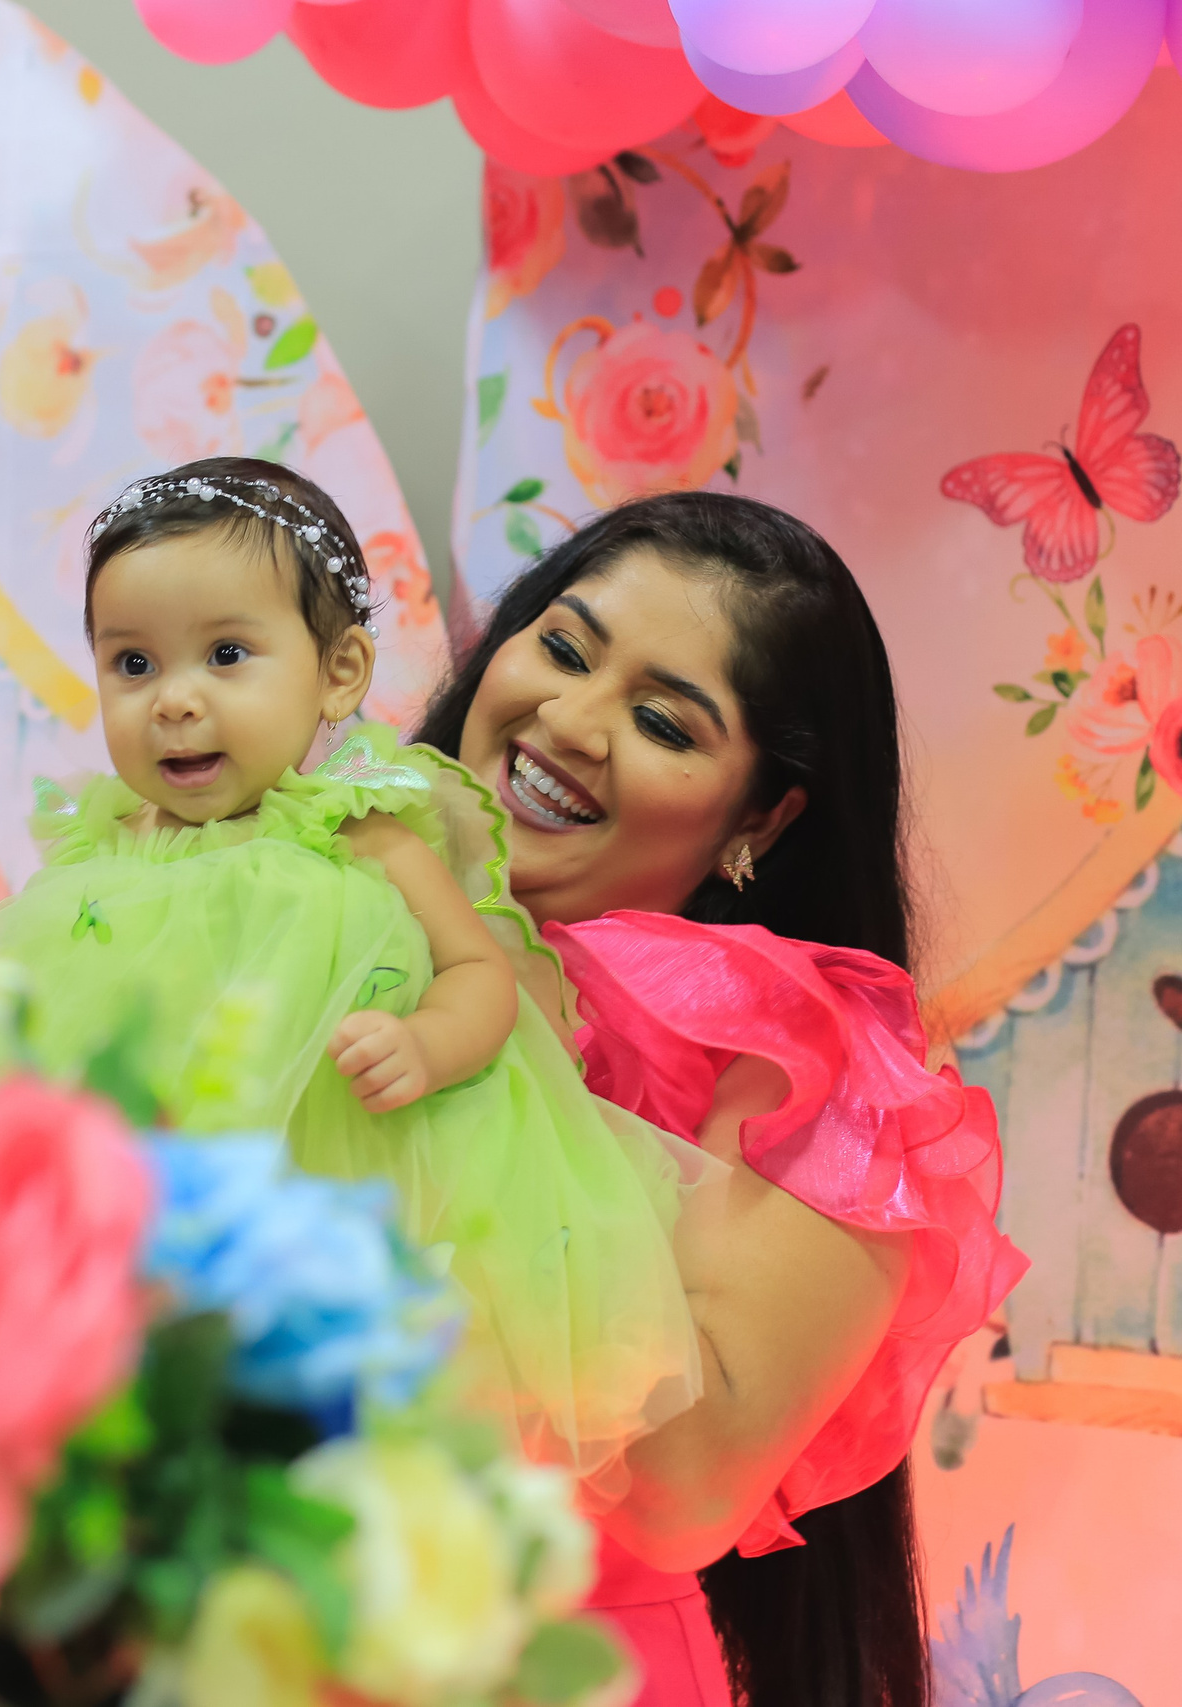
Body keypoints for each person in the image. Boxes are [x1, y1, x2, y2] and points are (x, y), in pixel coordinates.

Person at [0, 457, 703, 1486]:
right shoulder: (106, 854)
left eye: (226, 656)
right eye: (133, 665)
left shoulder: (359, 830)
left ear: (338, 672)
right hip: (144, 1203)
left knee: (316, 1424)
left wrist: (425, 1042)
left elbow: (481, 973)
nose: (174, 704)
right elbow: (31, 995)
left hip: (320, 1190)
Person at [414, 491, 1028, 1707]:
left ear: (761, 816)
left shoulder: (817, 1071)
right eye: (562, 646)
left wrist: (492, 1034)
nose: (570, 723)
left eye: (660, 721)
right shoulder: (308, 907)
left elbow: (687, 1479)